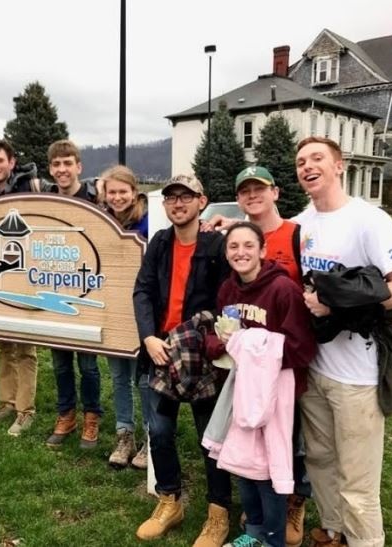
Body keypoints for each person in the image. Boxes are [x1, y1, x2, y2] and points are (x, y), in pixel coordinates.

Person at [293, 137, 392, 547]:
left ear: (339, 166)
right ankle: (333, 533)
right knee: (321, 462)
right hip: (315, 367)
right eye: (301, 162)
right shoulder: (304, 223)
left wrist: (336, 304)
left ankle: (364, 540)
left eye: (317, 159)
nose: (307, 166)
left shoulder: (369, 220)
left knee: (358, 480)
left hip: (356, 375)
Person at [133, 174, 232, 545]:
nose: (178, 203)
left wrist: (212, 341)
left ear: (201, 201)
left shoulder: (217, 246)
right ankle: (169, 501)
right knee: (159, 433)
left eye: (186, 197)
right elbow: (142, 290)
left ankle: (218, 513)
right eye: (172, 197)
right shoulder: (159, 243)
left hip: (202, 358)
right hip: (160, 353)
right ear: (165, 205)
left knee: (211, 438)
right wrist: (148, 337)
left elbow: (228, 299)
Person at [212, 221, 316, 547]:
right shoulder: (228, 289)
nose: (240, 252)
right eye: (233, 246)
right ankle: (253, 532)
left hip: (276, 395)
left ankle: (273, 538)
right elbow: (221, 340)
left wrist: (251, 345)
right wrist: (225, 344)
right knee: (243, 463)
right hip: (241, 391)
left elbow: (301, 348)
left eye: (248, 246)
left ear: (263, 250)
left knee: (269, 470)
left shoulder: (283, 290)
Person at [233, 166, 309, 546]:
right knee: (253, 454)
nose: (252, 195)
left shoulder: (297, 235)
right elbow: (226, 320)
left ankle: (289, 512)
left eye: (258, 188)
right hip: (250, 378)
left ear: (275, 191)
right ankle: (256, 528)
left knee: (286, 449)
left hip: (288, 368)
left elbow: (310, 295)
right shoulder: (236, 260)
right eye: (244, 190)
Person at [0, 139, 51, 436]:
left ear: (11, 162)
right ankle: (6, 402)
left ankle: (25, 410)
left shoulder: (32, 184)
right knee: (4, 344)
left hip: (28, 275)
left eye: (0, 160)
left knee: (25, 347)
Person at [43, 140, 103, 449]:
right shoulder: (45, 201)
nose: (62, 169)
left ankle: (92, 416)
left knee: (88, 365)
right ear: (51, 169)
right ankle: (66, 414)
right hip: (53, 291)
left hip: (86, 292)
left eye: (67, 163)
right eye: (56, 165)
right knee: (60, 363)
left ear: (78, 166)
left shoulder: (95, 199)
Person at [99, 165, 151, 469]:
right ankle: (124, 435)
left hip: (140, 314)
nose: (117, 197)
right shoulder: (101, 221)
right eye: (112, 192)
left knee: (142, 378)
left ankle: (149, 437)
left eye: (123, 191)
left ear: (134, 192)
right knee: (119, 377)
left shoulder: (147, 222)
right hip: (110, 311)